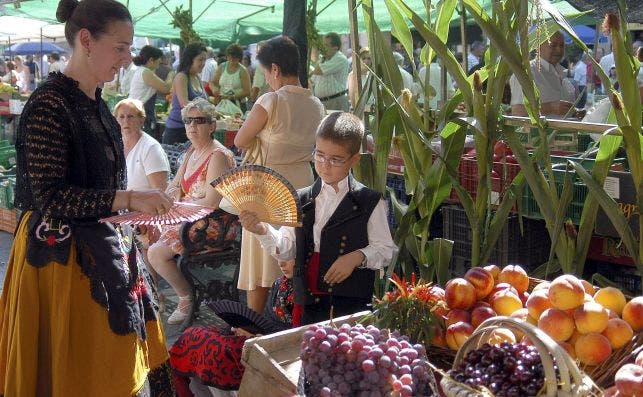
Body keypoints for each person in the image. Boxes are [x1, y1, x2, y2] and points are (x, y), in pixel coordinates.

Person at [0, 1, 176, 396]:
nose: (127, 58)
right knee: (74, 374)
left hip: (107, 253)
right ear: (86, 41)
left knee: (110, 371)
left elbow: (103, 190)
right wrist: (129, 197)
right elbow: (51, 197)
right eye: (120, 47)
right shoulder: (48, 104)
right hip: (59, 268)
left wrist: (133, 211)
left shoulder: (99, 106)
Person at [239, 112, 396, 325]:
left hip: (351, 303)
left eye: (335, 159)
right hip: (308, 302)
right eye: (319, 155)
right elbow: (287, 248)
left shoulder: (369, 201)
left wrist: (356, 257)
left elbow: (386, 250)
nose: (325, 164)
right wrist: (262, 229)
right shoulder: (300, 198)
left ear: (354, 160)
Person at [234, 36, 325, 314]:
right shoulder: (317, 104)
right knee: (294, 256)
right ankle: (290, 320)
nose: (266, 80)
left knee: (263, 259)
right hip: (303, 185)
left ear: (274, 69)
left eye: (264, 73)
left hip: (268, 186)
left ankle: (254, 328)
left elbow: (240, 140)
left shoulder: (270, 100)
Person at [148, 97, 236, 325]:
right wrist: (174, 196)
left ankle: (186, 297)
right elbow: (174, 185)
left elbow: (211, 202)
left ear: (212, 125)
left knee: (156, 252)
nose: (192, 126)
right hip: (190, 218)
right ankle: (154, 294)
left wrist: (178, 206)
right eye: (188, 121)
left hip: (213, 224)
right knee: (147, 232)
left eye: (199, 121)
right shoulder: (191, 152)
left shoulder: (217, 155)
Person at [169, 260, 295, 397]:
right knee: (193, 335)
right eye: (280, 256)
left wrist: (256, 336)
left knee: (219, 351)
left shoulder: (308, 294)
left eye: (288, 257)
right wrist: (245, 328)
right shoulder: (280, 283)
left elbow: (298, 337)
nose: (281, 263)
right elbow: (267, 320)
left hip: (277, 344)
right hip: (259, 334)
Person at [510, 31, 576, 117]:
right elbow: (517, 111)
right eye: (553, 45)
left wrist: (576, 113)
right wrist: (550, 107)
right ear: (539, 46)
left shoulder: (562, 73)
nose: (559, 50)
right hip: (540, 130)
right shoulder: (527, 72)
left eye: (562, 45)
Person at [162, 42, 208, 144]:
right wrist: (208, 111)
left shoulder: (197, 77)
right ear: (190, 59)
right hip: (178, 131)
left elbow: (204, 102)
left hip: (193, 130)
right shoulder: (181, 77)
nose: (203, 63)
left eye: (205, 59)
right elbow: (185, 105)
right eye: (200, 59)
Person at [129, 45, 172, 134]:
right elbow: (165, 88)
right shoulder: (146, 72)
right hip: (139, 114)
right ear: (151, 60)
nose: (159, 64)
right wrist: (171, 74)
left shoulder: (143, 70)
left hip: (138, 112)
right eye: (159, 60)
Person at [311, 32, 350, 111]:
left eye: (326, 45)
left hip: (335, 101)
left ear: (335, 47)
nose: (323, 48)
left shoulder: (340, 58)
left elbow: (318, 71)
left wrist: (317, 54)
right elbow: (312, 79)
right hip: (323, 103)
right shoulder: (324, 59)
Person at [210, 43, 251, 114]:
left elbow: (247, 91)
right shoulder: (222, 67)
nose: (231, 60)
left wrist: (232, 97)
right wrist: (214, 89)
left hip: (238, 105)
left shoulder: (242, 71)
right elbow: (212, 82)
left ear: (239, 57)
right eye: (229, 57)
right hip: (222, 103)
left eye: (234, 58)